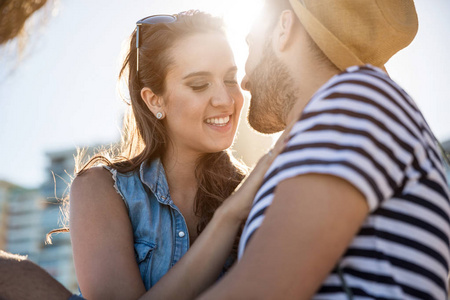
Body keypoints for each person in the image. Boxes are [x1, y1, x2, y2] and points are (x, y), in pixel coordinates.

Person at [0, 9, 287, 300]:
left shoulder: (262, 188)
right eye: (199, 84)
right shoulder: (101, 189)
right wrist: (229, 216)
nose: (226, 100)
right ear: (154, 100)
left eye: (230, 79)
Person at [196, 0, 450, 299]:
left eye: (250, 44)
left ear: (283, 28)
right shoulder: (352, 110)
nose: (245, 80)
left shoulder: (353, 101)